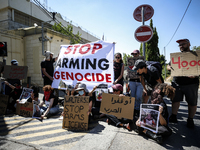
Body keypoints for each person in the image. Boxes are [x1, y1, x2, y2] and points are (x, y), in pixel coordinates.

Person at [167, 39, 199, 128]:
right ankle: (173, 116)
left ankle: (190, 119)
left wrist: (196, 75)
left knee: (192, 103)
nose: (181, 46)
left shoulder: (195, 55)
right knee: (175, 100)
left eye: (183, 44)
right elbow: (168, 66)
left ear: (189, 44)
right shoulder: (177, 56)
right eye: (180, 45)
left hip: (191, 84)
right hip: (176, 83)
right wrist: (170, 68)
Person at [128, 50, 143, 116]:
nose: (134, 55)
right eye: (133, 54)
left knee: (139, 96)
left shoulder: (143, 62)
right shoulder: (130, 62)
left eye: (135, 54)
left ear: (139, 54)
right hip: (132, 81)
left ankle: (138, 109)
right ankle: (133, 110)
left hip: (140, 82)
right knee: (133, 96)